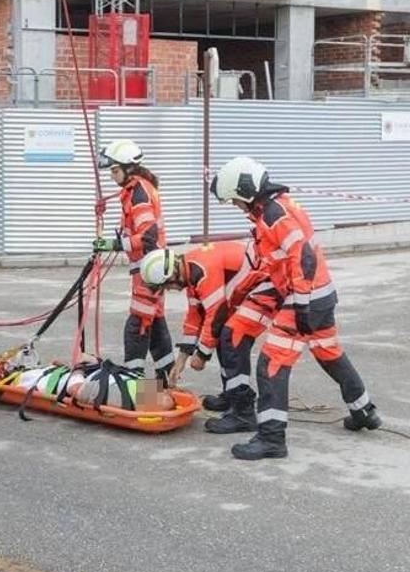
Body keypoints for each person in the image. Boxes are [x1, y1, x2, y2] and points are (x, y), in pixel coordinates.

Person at [210, 156, 382, 460]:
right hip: (312, 295)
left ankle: (272, 438)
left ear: (247, 191)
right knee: (329, 353)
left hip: (305, 297)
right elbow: (275, 262)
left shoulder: (276, 215)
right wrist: (243, 292)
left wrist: (301, 305)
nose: (235, 206)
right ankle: (363, 411)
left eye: (235, 200)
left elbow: (302, 259)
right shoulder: (271, 211)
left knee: (271, 363)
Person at [138, 241, 279, 434]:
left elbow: (216, 313)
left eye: (167, 286)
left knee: (232, 337)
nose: (171, 290)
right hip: (255, 287)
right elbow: (195, 316)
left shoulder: (202, 270)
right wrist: (181, 361)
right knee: (225, 335)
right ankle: (231, 396)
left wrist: (202, 355)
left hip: (269, 286)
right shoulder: (190, 270)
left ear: (171, 275)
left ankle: (243, 413)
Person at [92, 139, 173, 375]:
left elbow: (147, 237)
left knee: (138, 325)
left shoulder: (139, 194)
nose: (111, 176)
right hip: (148, 269)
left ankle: (133, 384)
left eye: (115, 171)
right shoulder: (134, 191)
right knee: (155, 325)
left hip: (150, 270)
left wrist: (113, 244)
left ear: (129, 168)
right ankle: (166, 383)